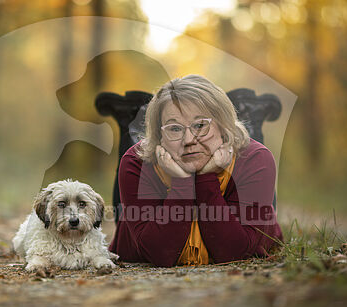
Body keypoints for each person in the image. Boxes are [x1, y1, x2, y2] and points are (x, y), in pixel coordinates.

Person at [109, 75, 283, 267]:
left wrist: (205, 179)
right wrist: (182, 183)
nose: (188, 140)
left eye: (200, 125)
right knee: (126, 199)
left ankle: (250, 115)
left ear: (223, 126)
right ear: (159, 137)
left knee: (253, 161)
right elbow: (158, 254)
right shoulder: (136, 162)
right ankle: (131, 118)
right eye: (174, 128)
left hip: (240, 167)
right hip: (142, 218)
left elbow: (235, 252)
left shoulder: (256, 159)